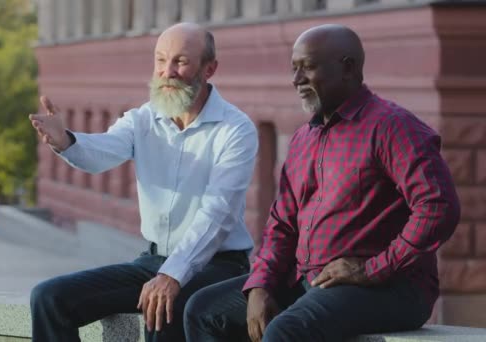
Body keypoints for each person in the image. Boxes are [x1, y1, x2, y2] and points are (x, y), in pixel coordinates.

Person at [183, 24, 461, 342]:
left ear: (348, 67)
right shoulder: (304, 138)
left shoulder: (392, 127)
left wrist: (372, 268)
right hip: (309, 277)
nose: (296, 80)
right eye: (294, 69)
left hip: (391, 287)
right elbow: (282, 225)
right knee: (203, 310)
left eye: (308, 68)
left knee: (286, 331)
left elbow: (438, 207)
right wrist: (260, 284)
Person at [28, 22, 258, 342]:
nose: (167, 72)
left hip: (216, 267)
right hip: (153, 261)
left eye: (180, 61)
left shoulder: (235, 129)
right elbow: (102, 152)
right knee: (49, 298)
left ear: (210, 69)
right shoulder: (143, 119)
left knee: (162, 311)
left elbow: (218, 214)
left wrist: (172, 275)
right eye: (161, 60)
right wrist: (65, 140)